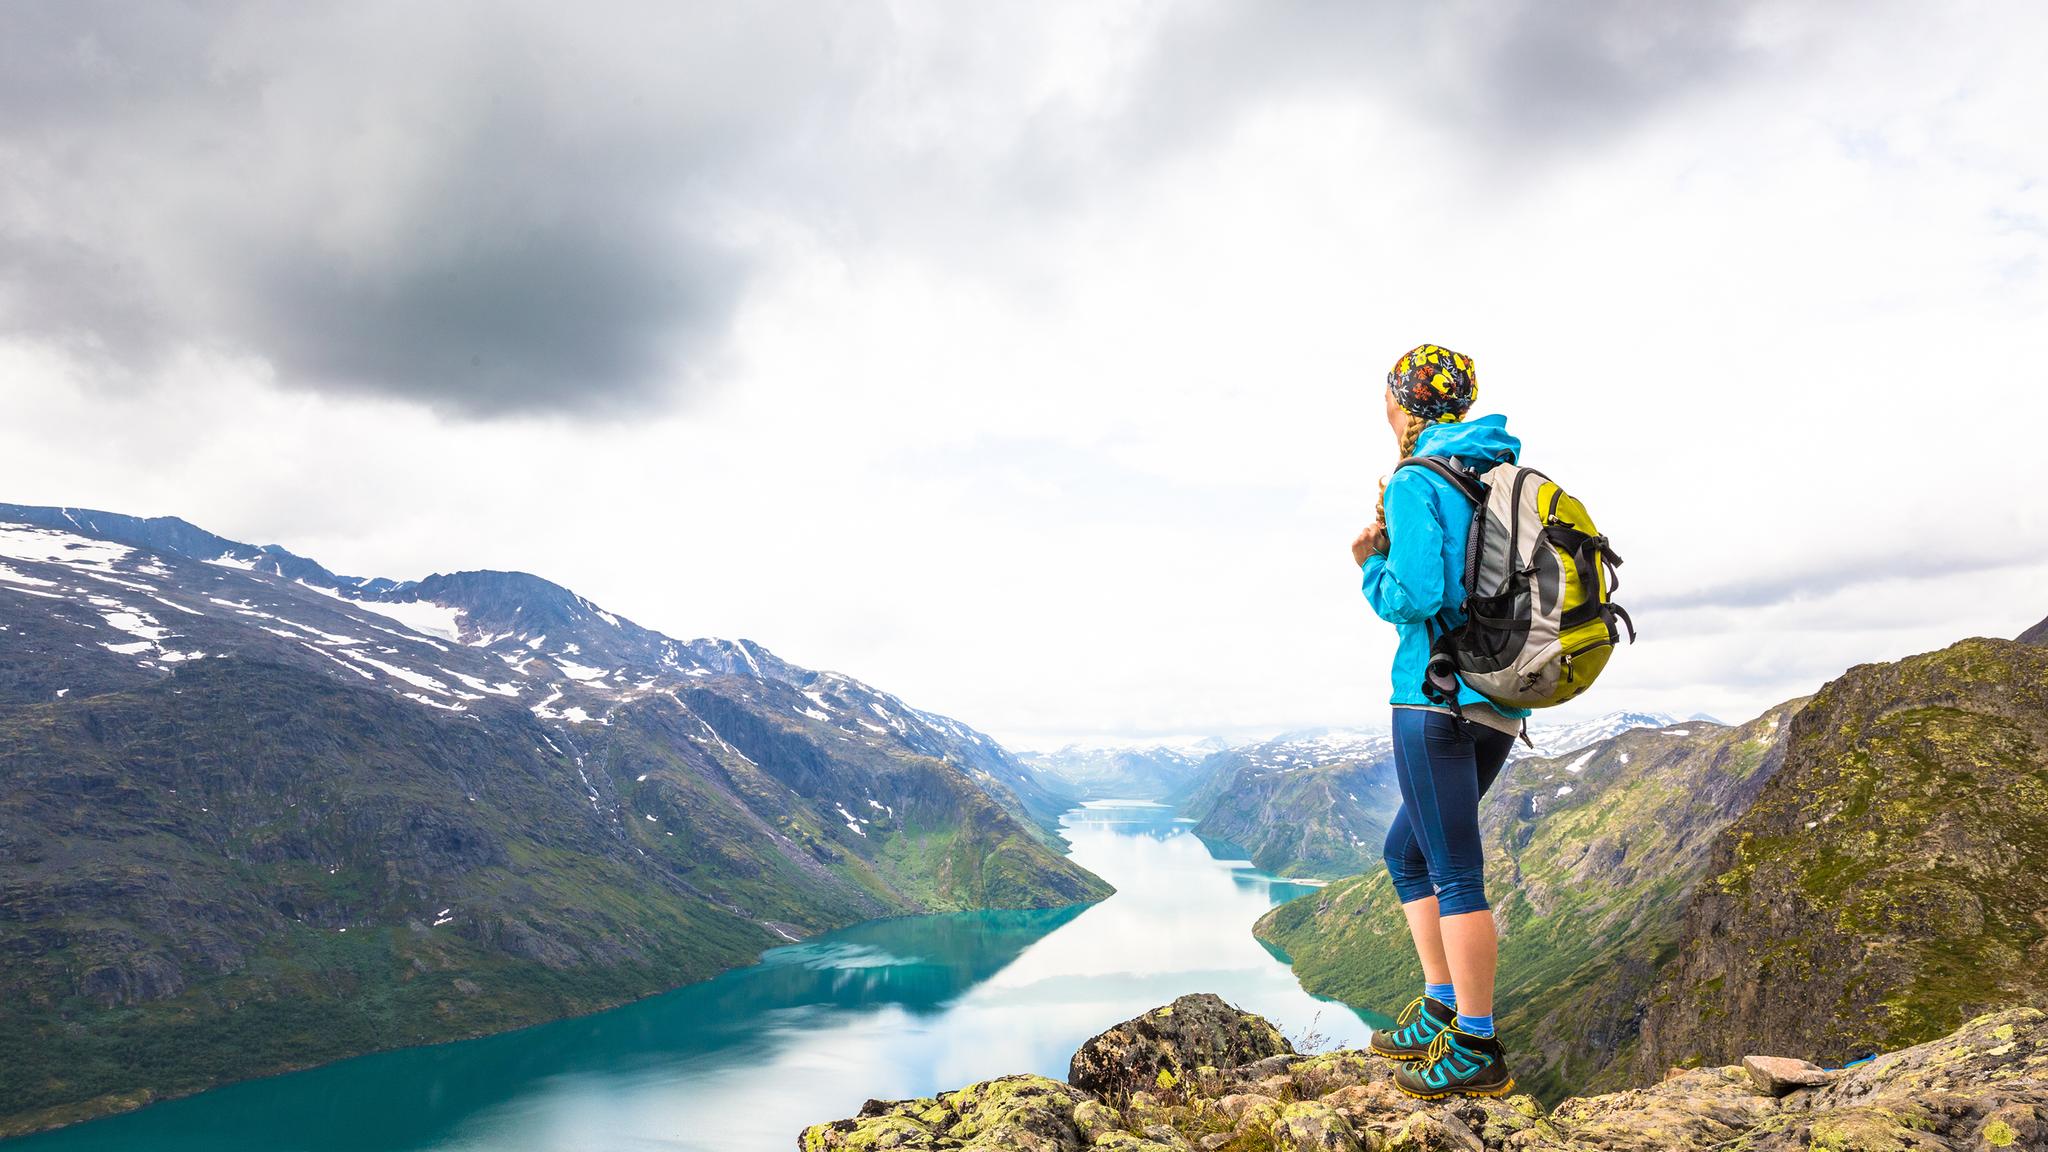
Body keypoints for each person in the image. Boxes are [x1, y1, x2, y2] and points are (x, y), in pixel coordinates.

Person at [1348, 343, 1527, 1099]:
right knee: (1407, 852)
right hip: (1498, 701)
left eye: (1389, 398)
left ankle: (1477, 1044)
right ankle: (1441, 1004)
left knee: (1454, 871)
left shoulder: (1419, 478)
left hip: (1433, 698)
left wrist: (1367, 563)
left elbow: (1416, 595)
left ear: (1403, 405)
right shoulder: (1495, 474)